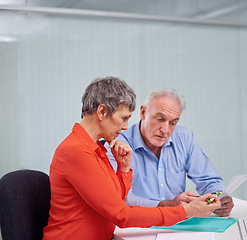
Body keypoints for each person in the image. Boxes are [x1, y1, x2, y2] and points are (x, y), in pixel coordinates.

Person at [42, 77, 220, 240]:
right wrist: (185, 211)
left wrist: (123, 170)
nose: (126, 127)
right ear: (102, 112)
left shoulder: (97, 148)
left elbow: (116, 202)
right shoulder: (76, 152)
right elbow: (122, 215)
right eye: (124, 118)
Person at [106, 88, 234, 217]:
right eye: (160, 119)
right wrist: (168, 206)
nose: (165, 130)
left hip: (178, 224)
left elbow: (208, 179)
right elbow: (121, 198)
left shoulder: (184, 137)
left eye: (173, 123)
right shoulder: (117, 144)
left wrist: (218, 197)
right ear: (143, 112)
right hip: (136, 225)